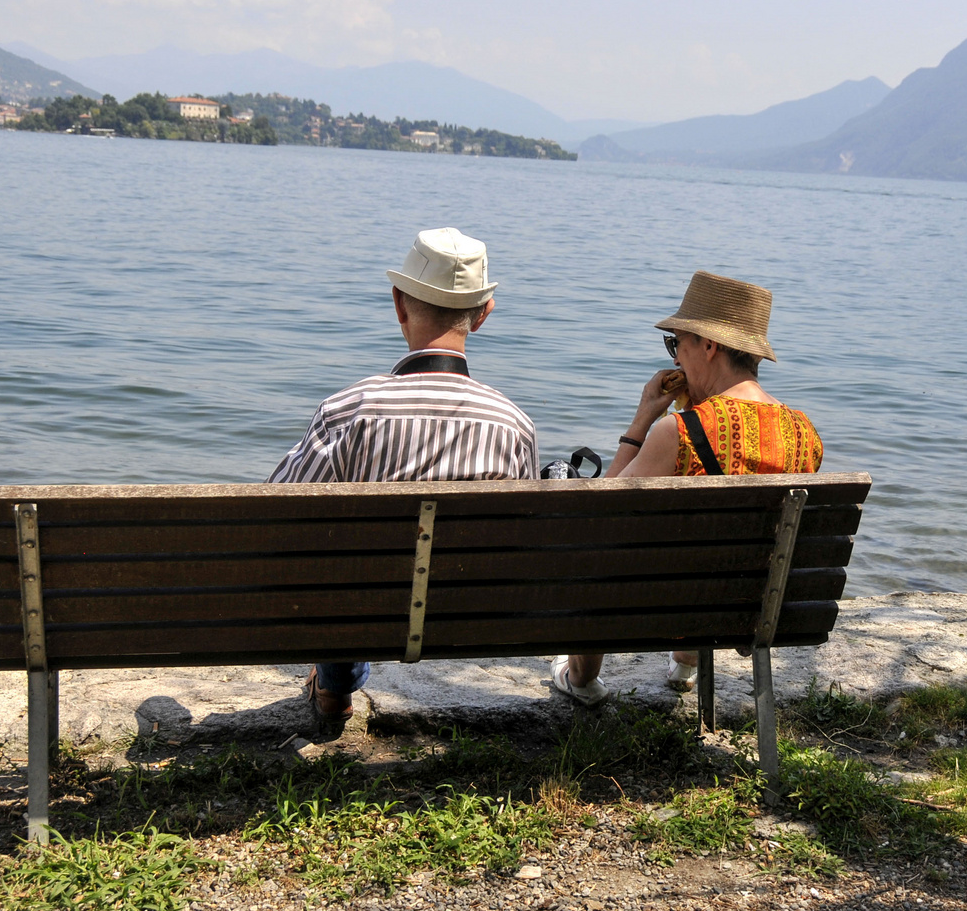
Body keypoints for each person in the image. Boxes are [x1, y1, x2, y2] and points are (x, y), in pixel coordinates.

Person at [268, 227, 538, 721]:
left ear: (399, 303)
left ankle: (335, 687)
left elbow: (270, 516)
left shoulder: (349, 410)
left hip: (363, 613)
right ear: (483, 315)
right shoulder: (514, 424)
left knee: (339, 556)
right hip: (470, 617)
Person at [551, 271, 823, 706]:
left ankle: (581, 678)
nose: (675, 359)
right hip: (751, 609)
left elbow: (597, 513)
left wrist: (643, 417)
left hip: (659, 610)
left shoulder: (678, 430)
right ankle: (685, 663)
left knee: (592, 543)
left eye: (677, 343)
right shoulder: (804, 432)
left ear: (709, 346)